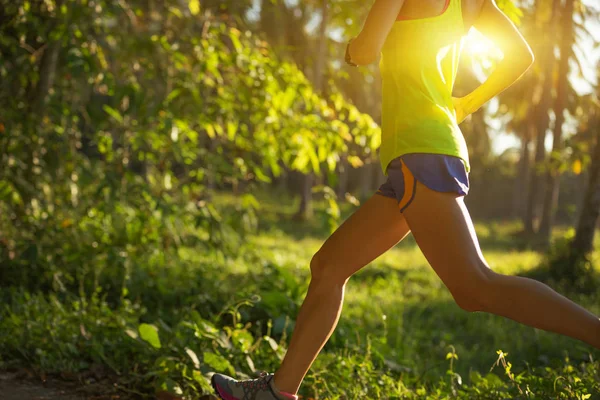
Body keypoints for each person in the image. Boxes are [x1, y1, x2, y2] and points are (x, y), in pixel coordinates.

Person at [211, 0, 600, 398]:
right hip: (423, 153)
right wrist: (464, 104)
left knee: (475, 287)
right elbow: (521, 55)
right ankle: (277, 392)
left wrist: (353, 45)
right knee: (328, 267)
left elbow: (365, 51)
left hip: (421, 152)